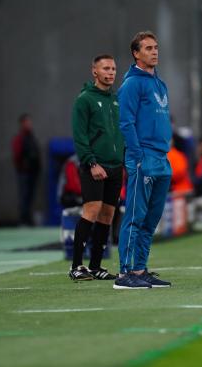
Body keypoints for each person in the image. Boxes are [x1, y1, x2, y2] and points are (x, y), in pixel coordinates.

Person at [114, 31, 173, 290]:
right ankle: (124, 273)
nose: (154, 51)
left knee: (151, 219)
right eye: (148, 48)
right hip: (143, 158)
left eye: (156, 47)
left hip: (161, 158)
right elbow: (125, 123)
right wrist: (136, 156)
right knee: (135, 217)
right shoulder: (131, 84)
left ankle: (140, 268)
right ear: (136, 54)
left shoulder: (160, 84)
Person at [69, 54, 125, 281]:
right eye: (105, 69)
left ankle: (95, 266)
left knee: (108, 215)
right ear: (95, 72)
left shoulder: (115, 100)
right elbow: (79, 136)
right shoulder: (84, 100)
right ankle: (75, 266)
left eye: (113, 69)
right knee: (91, 211)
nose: (110, 73)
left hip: (115, 166)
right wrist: (91, 162)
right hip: (94, 166)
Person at [11, 113, 41, 226]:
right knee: (24, 196)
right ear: (22, 123)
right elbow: (17, 155)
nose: (29, 124)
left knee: (29, 197)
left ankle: (28, 220)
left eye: (30, 122)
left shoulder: (31, 137)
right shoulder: (19, 138)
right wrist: (22, 168)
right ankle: (23, 220)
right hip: (24, 173)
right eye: (27, 122)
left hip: (32, 172)